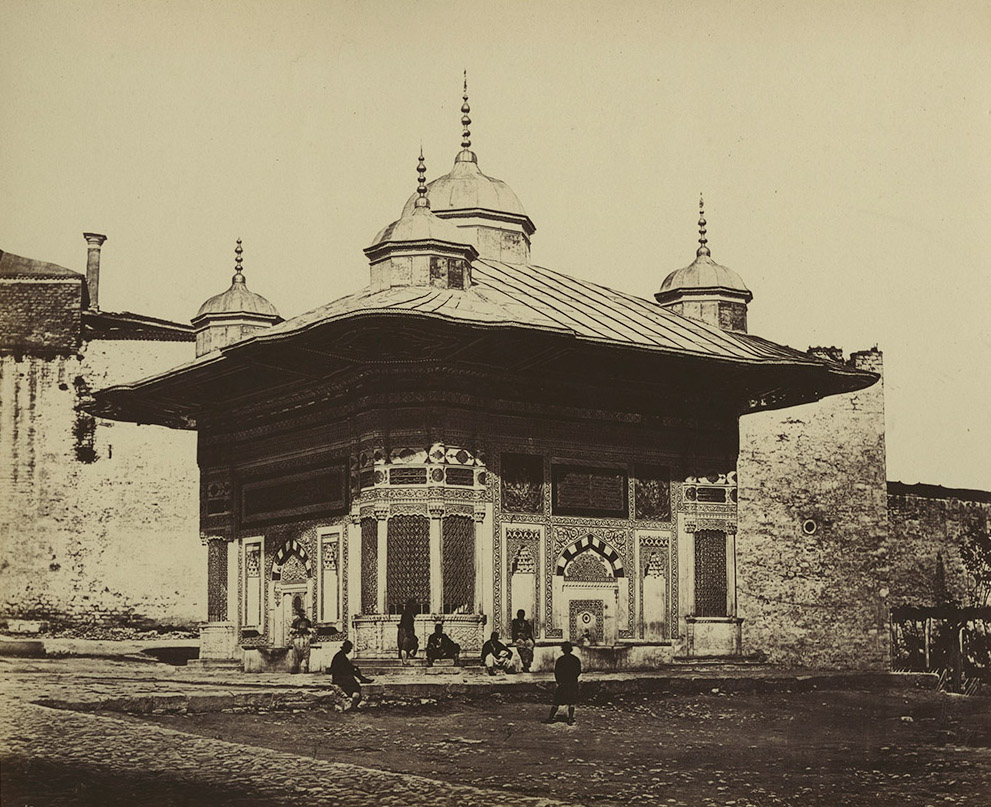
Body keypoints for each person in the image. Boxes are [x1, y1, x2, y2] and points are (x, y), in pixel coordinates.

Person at [543, 641, 581, 725]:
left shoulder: (560, 660)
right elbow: (578, 671)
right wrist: (573, 678)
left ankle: (550, 718)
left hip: (563, 684)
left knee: (556, 702)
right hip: (572, 683)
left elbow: (557, 672)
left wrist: (559, 681)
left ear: (563, 650)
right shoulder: (575, 659)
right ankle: (570, 719)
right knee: (571, 702)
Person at [329, 640, 373, 710]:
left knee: (354, 671)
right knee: (356, 687)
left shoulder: (341, 655)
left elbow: (347, 666)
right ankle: (353, 706)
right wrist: (354, 670)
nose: (350, 650)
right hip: (339, 678)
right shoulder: (340, 657)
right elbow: (344, 669)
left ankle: (362, 679)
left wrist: (354, 668)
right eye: (349, 649)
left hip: (340, 676)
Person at [289, 600, 313, 674]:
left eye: (303, 614)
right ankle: (296, 669)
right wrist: (295, 631)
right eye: (301, 614)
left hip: (305, 639)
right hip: (297, 639)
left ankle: (305, 669)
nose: (302, 615)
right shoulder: (296, 621)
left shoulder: (307, 621)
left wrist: (309, 633)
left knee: (306, 656)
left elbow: (311, 630)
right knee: (296, 656)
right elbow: (291, 630)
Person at [397, 598, 419, 665]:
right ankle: (404, 662)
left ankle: (407, 657)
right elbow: (407, 624)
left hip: (405, 631)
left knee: (414, 643)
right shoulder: (408, 613)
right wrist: (409, 633)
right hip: (406, 632)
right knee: (405, 646)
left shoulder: (407, 612)